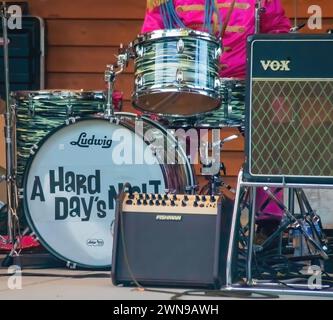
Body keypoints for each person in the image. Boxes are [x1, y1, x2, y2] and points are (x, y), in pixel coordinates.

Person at [141, 0, 291, 238]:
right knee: (173, 139)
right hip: (191, 81)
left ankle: (269, 225)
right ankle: (169, 210)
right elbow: (154, 38)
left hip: (247, 82)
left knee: (270, 132)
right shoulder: (166, 2)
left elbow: (278, 33)